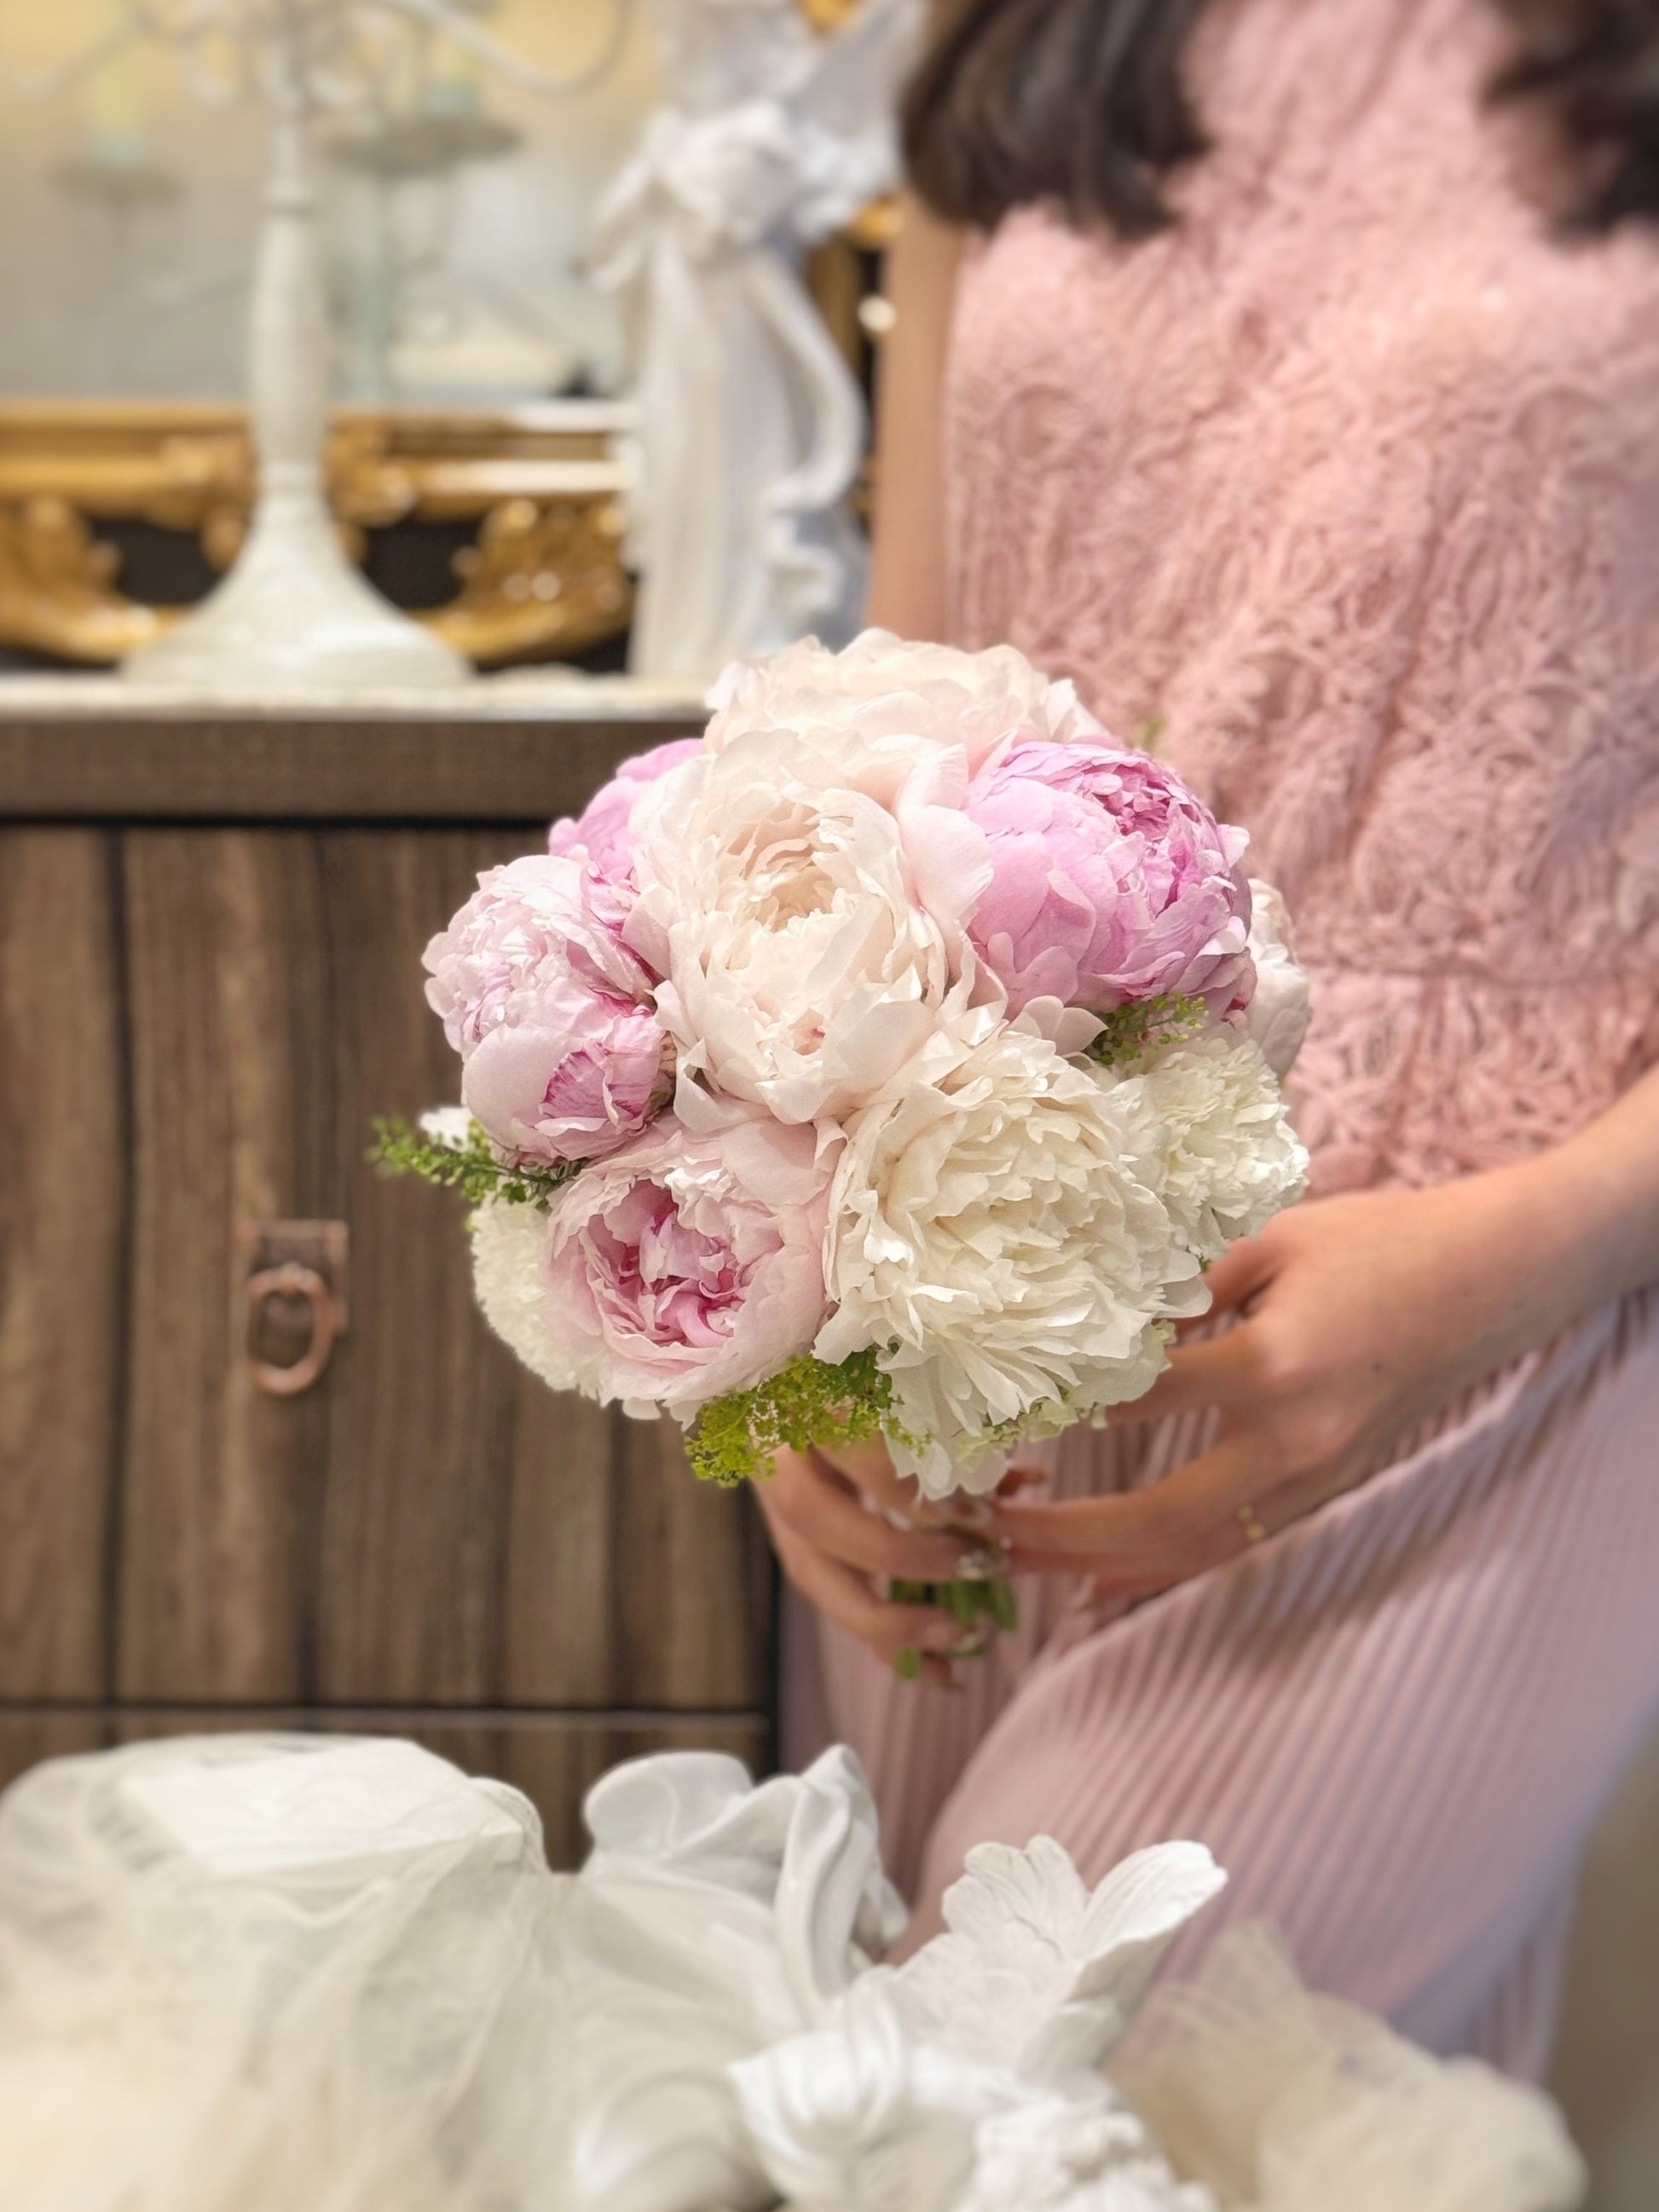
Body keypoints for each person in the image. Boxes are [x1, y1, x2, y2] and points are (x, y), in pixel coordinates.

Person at [757, 0, 1659, 2079]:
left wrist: (1501, 1261)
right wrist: (789, 1281)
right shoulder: (1034, 35)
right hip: (966, 1314)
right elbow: (884, 725)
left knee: (1017, 2101)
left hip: (1477, 1322)